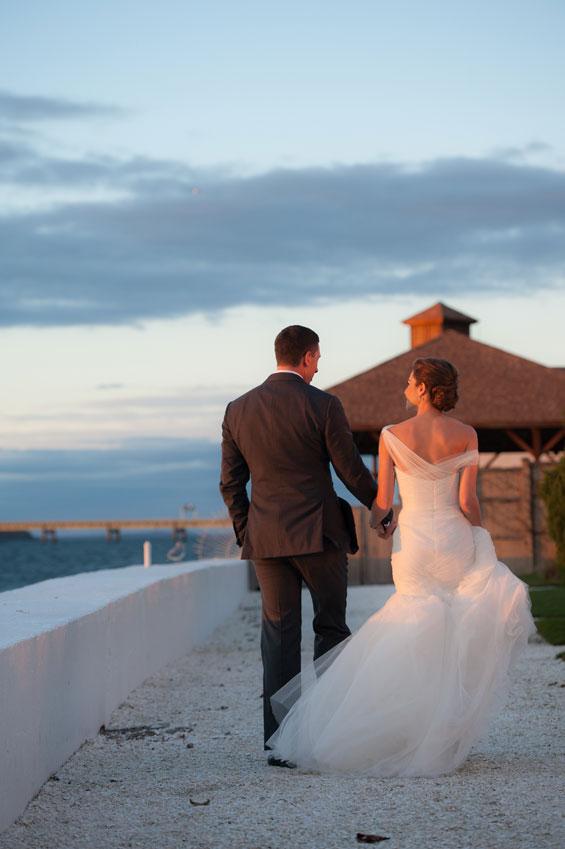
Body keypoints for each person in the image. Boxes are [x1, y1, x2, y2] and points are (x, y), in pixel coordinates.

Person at [266, 357, 536, 777]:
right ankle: (441, 734)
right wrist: (480, 534)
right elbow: (468, 503)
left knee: (412, 625)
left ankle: (401, 731)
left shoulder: (392, 435)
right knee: (453, 629)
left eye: (410, 383)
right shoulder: (466, 434)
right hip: (453, 540)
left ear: (425, 389)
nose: (405, 389)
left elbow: (383, 503)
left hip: (412, 544)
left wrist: (380, 523)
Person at [220, 325, 393, 767]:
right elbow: (349, 468)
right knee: (331, 631)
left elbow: (230, 484)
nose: (320, 364)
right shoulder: (323, 404)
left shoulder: (238, 409)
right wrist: (380, 508)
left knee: (278, 639)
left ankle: (280, 745)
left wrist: (248, 531)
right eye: (319, 357)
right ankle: (327, 736)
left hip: (267, 540)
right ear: (308, 357)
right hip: (319, 536)